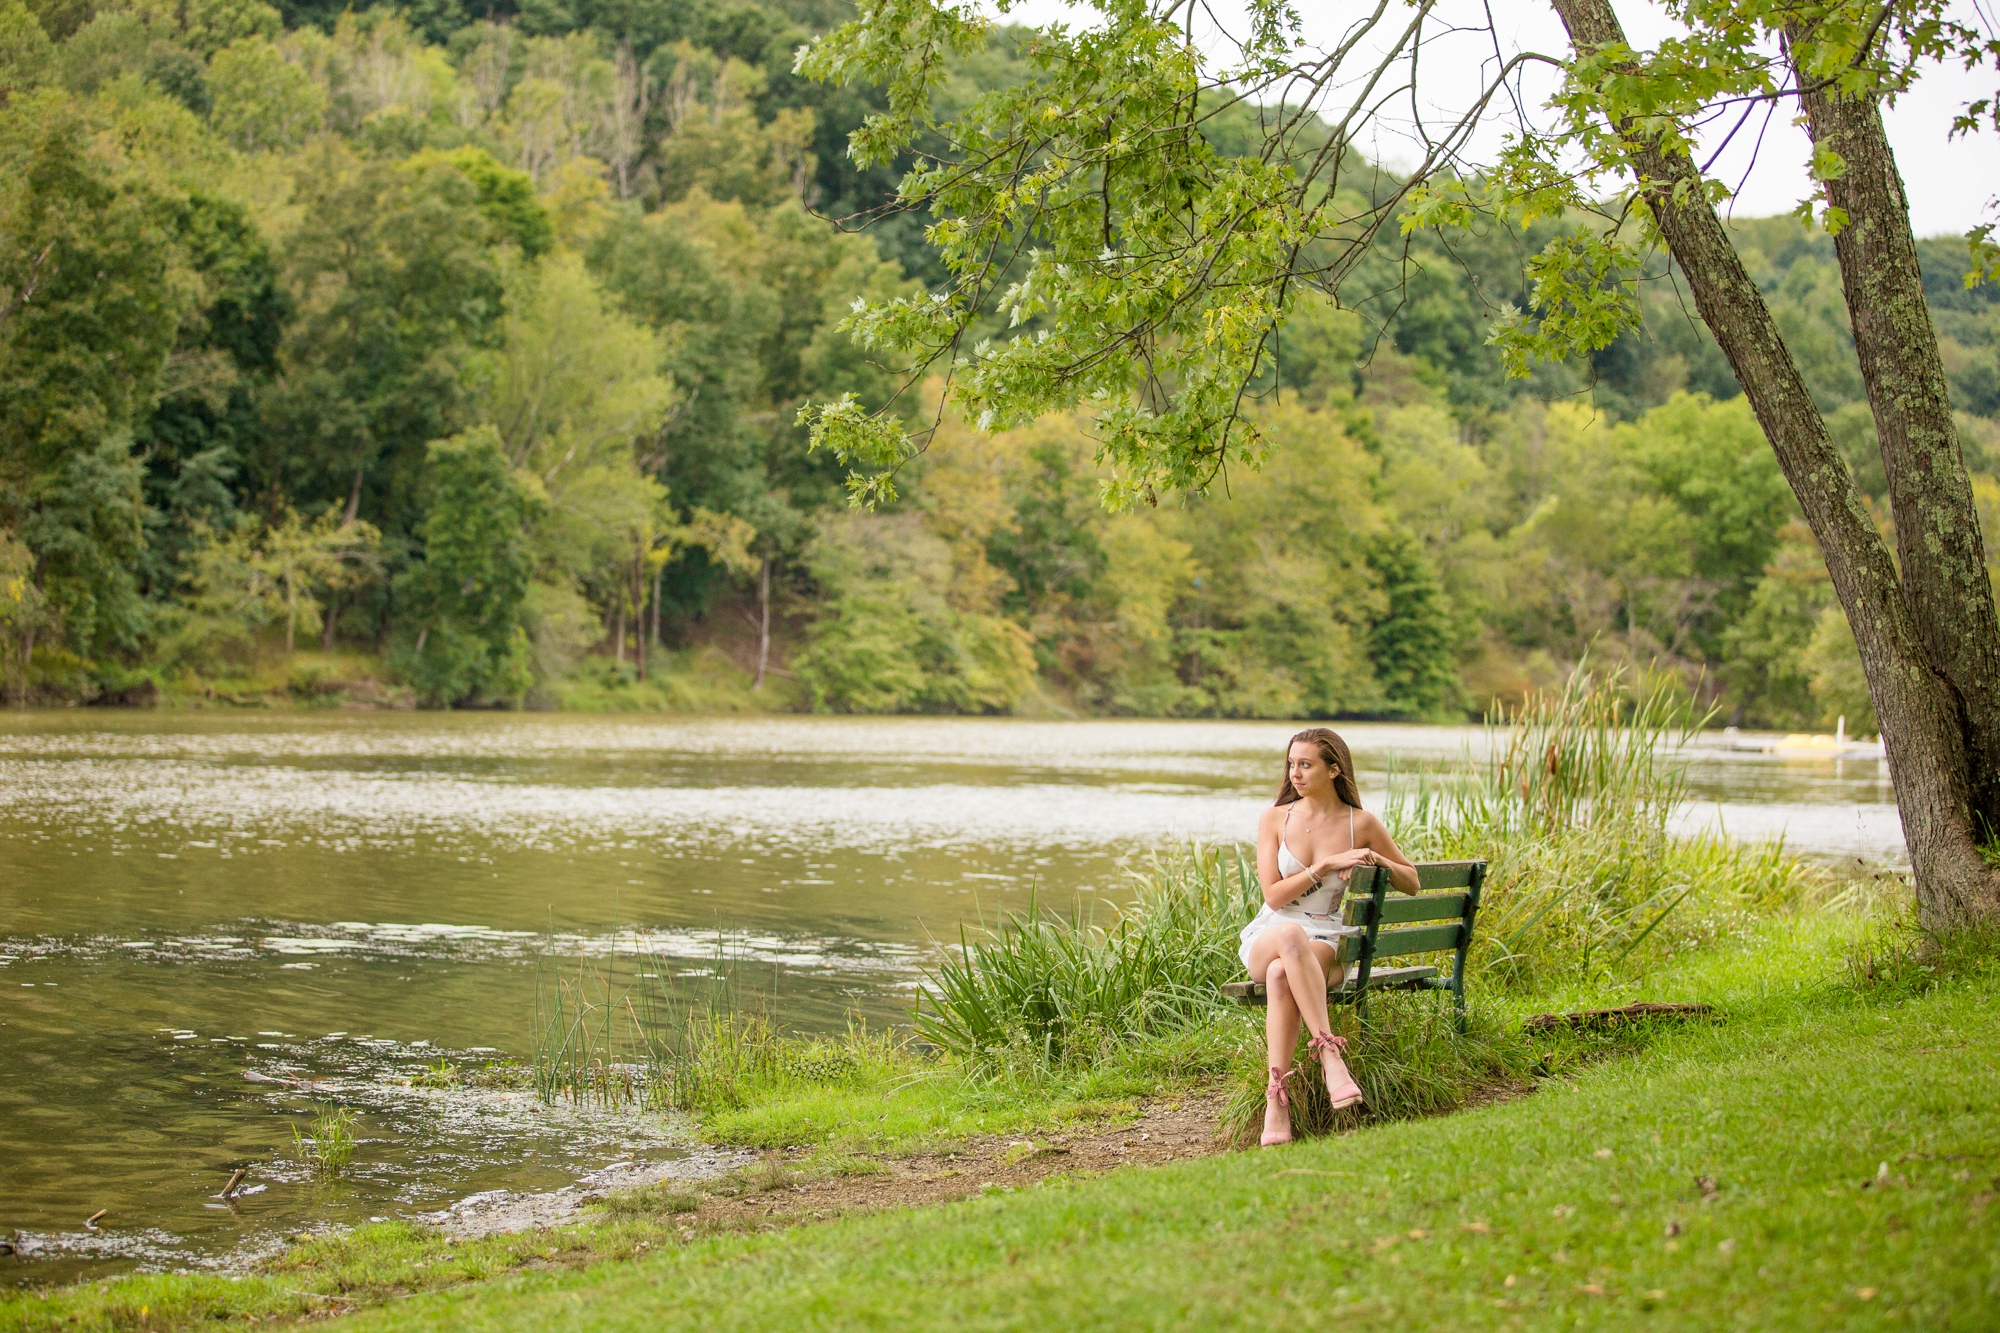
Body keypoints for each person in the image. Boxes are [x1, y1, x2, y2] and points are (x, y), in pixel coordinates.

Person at [1241, 727, 1419, 1147]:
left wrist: (1374, 859)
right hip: (1272, 930)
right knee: (1288, 935)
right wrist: (1325, 866)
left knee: (1285, 974)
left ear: (1334, 769)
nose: (1295, 773)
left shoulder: (1362, 824)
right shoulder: (1275, 818)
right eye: (1292, 764)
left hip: (1325, 938)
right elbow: (1273, 895)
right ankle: (1328, 1052)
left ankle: (1276, 1102)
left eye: (1306, 764)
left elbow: (1411, 880)